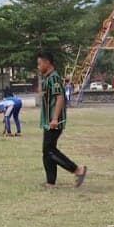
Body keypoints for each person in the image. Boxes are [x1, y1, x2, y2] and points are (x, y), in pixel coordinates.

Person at [37, 51, 87, 188]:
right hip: (48, 121)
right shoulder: (48, 78)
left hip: (54, 121)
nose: (38, 67)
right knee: (48, 151)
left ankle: (77, 169)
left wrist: (54, 118)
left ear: (47, 62)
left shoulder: (54, 78)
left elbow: (60, 97)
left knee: (49, 150)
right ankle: (50, 182)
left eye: (40, 64)